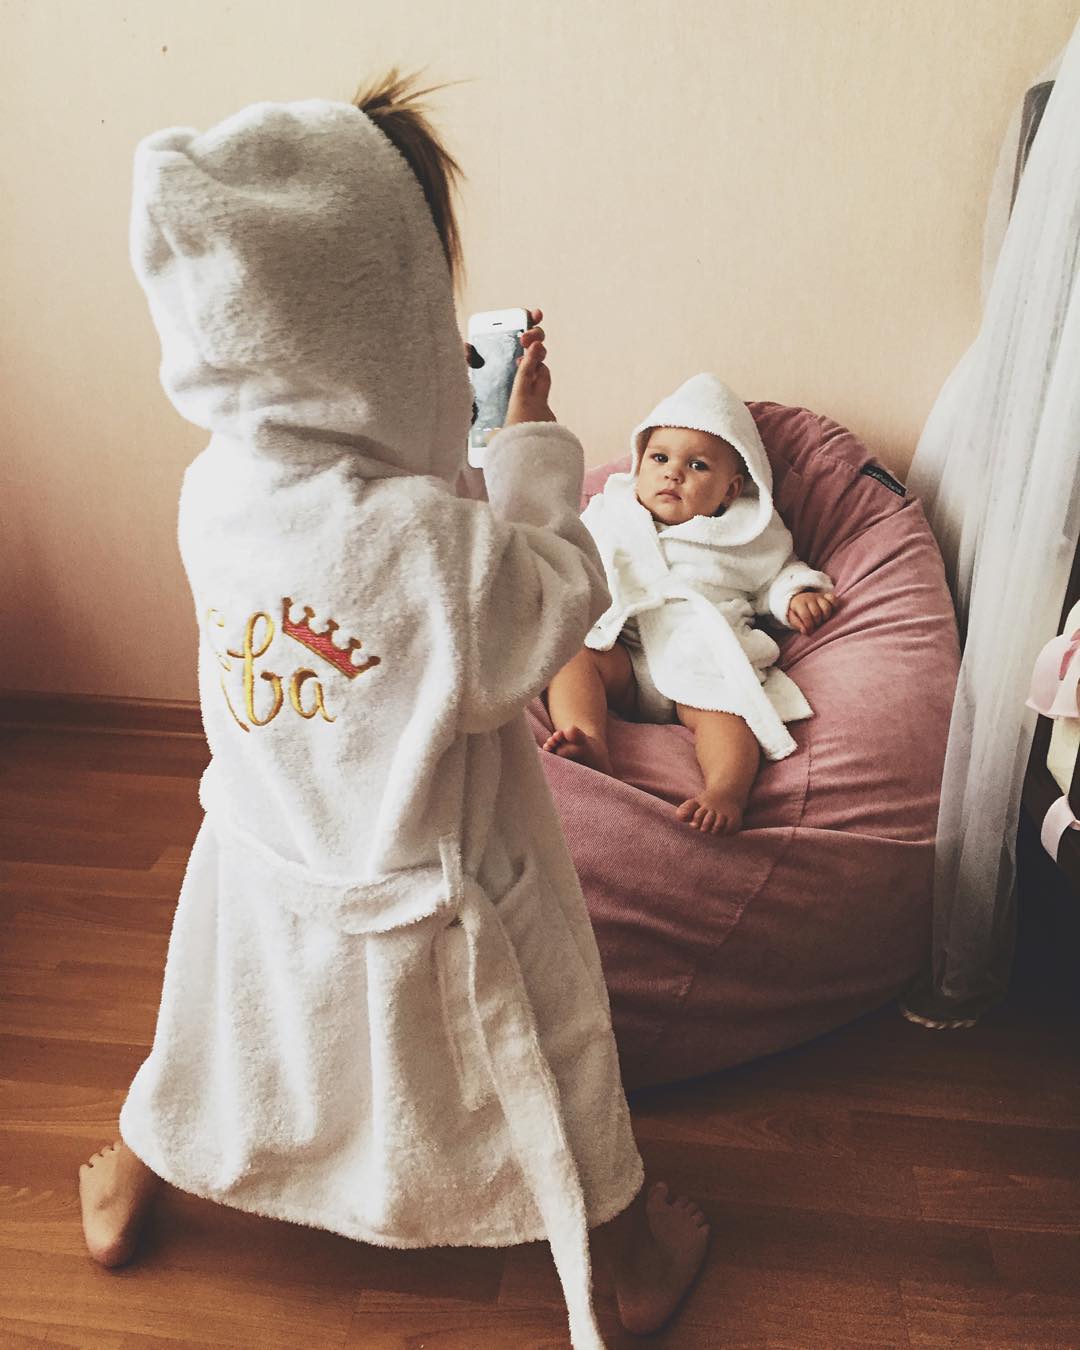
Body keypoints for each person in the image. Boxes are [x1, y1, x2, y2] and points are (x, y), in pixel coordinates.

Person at [77, 74, 707, 1347]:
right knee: (562, 1024)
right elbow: (553, 601)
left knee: (212, 1025)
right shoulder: (430, 544)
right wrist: (528, 449)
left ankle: (147, 1162)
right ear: (383, 324)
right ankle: (627, 1256)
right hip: (436, 886)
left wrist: (445, 455)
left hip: (264, 859)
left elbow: (363, 566)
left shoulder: (218, 492)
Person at [544, 373, 836, 836]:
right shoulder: (611, 512)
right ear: (639, 463)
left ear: (731, 490)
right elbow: (574, 561)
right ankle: (589, 739)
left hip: (701, 659)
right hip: (627, 653)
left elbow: (778, 574)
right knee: (572, 655)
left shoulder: (745, 532)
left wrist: (795, 596)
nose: (673, 473)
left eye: (698, 465)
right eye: (659, 458)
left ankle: (726, 790)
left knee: (731, 714)